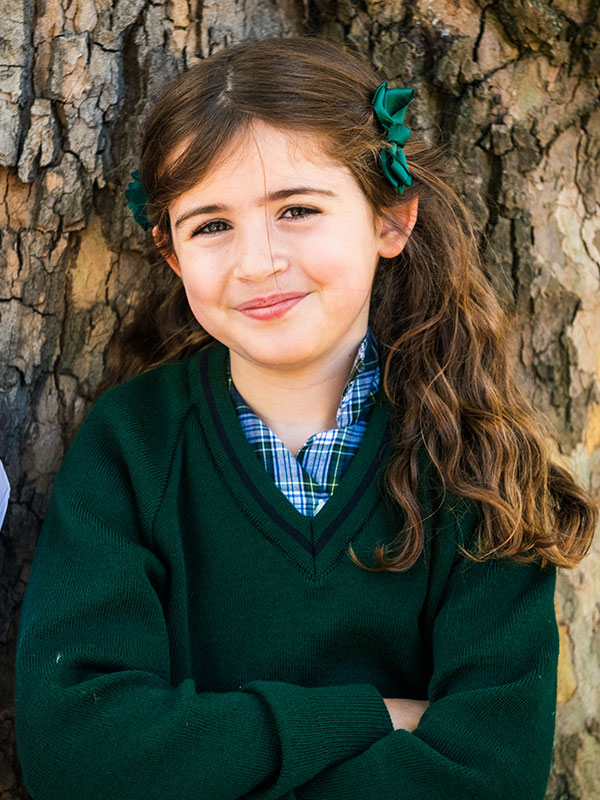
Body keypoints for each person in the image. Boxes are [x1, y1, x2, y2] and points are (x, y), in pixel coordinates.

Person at [14, 35, 597, 800]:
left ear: (390, 220)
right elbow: (77, 752)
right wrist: (372, 717)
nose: (257, 260)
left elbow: (491, 770)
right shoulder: (135, 445)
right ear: (170, 253)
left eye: (296, 209)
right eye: (211, 225)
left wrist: (203, 761)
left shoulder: (475, 458)